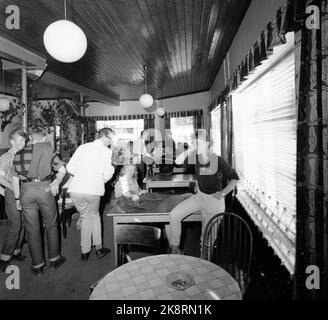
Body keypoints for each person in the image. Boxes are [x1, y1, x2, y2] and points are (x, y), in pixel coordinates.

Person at [166, 131, 239, 254]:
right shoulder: (196, 158)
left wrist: (223, 193)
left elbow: (235, 178)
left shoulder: (217, 160)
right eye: (194, 141)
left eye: (197, 141)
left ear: (207, 143)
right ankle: (175, 250)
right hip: (200, 197)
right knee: (174, 216)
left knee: (206, 242)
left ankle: (205, 266)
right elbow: (178, 161)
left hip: (214, 202)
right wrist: (191, 149)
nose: (194, 143)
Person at [12, 125, 67, 275]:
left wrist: (17, 198)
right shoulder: (48, 148)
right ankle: (54, 260)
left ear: (29, 137)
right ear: (44, 137)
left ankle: (37, 266)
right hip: (45, 188)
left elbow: (15, 179)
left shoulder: (19, 153)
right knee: (51, 224)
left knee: (32, 228)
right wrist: (56, 182)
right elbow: (62, 170)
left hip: (26, 191)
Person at [67, 128, 115, 261]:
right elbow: (108, 173)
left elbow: (70, 168)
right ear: (105, 137)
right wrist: (100, 178)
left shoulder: (83, 147)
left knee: (85, 217)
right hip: (93, 189)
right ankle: (98, 248)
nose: (111, 142)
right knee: (94, 216)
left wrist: (83, 175)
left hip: (76, 189)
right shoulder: (106, 151)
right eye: (111, 139)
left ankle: (85, 251)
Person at [0, 129, 28, 272]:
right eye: (21, 140)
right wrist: (13, 188)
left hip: (25, 193)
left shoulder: (24, 155)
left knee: (22, 224)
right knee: (15, 225)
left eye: (24, 140)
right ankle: (4, 257)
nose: (24, 142)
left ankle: (16, 251)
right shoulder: (5, 157)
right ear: (12, 141)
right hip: (12, 193)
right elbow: (0, 178)